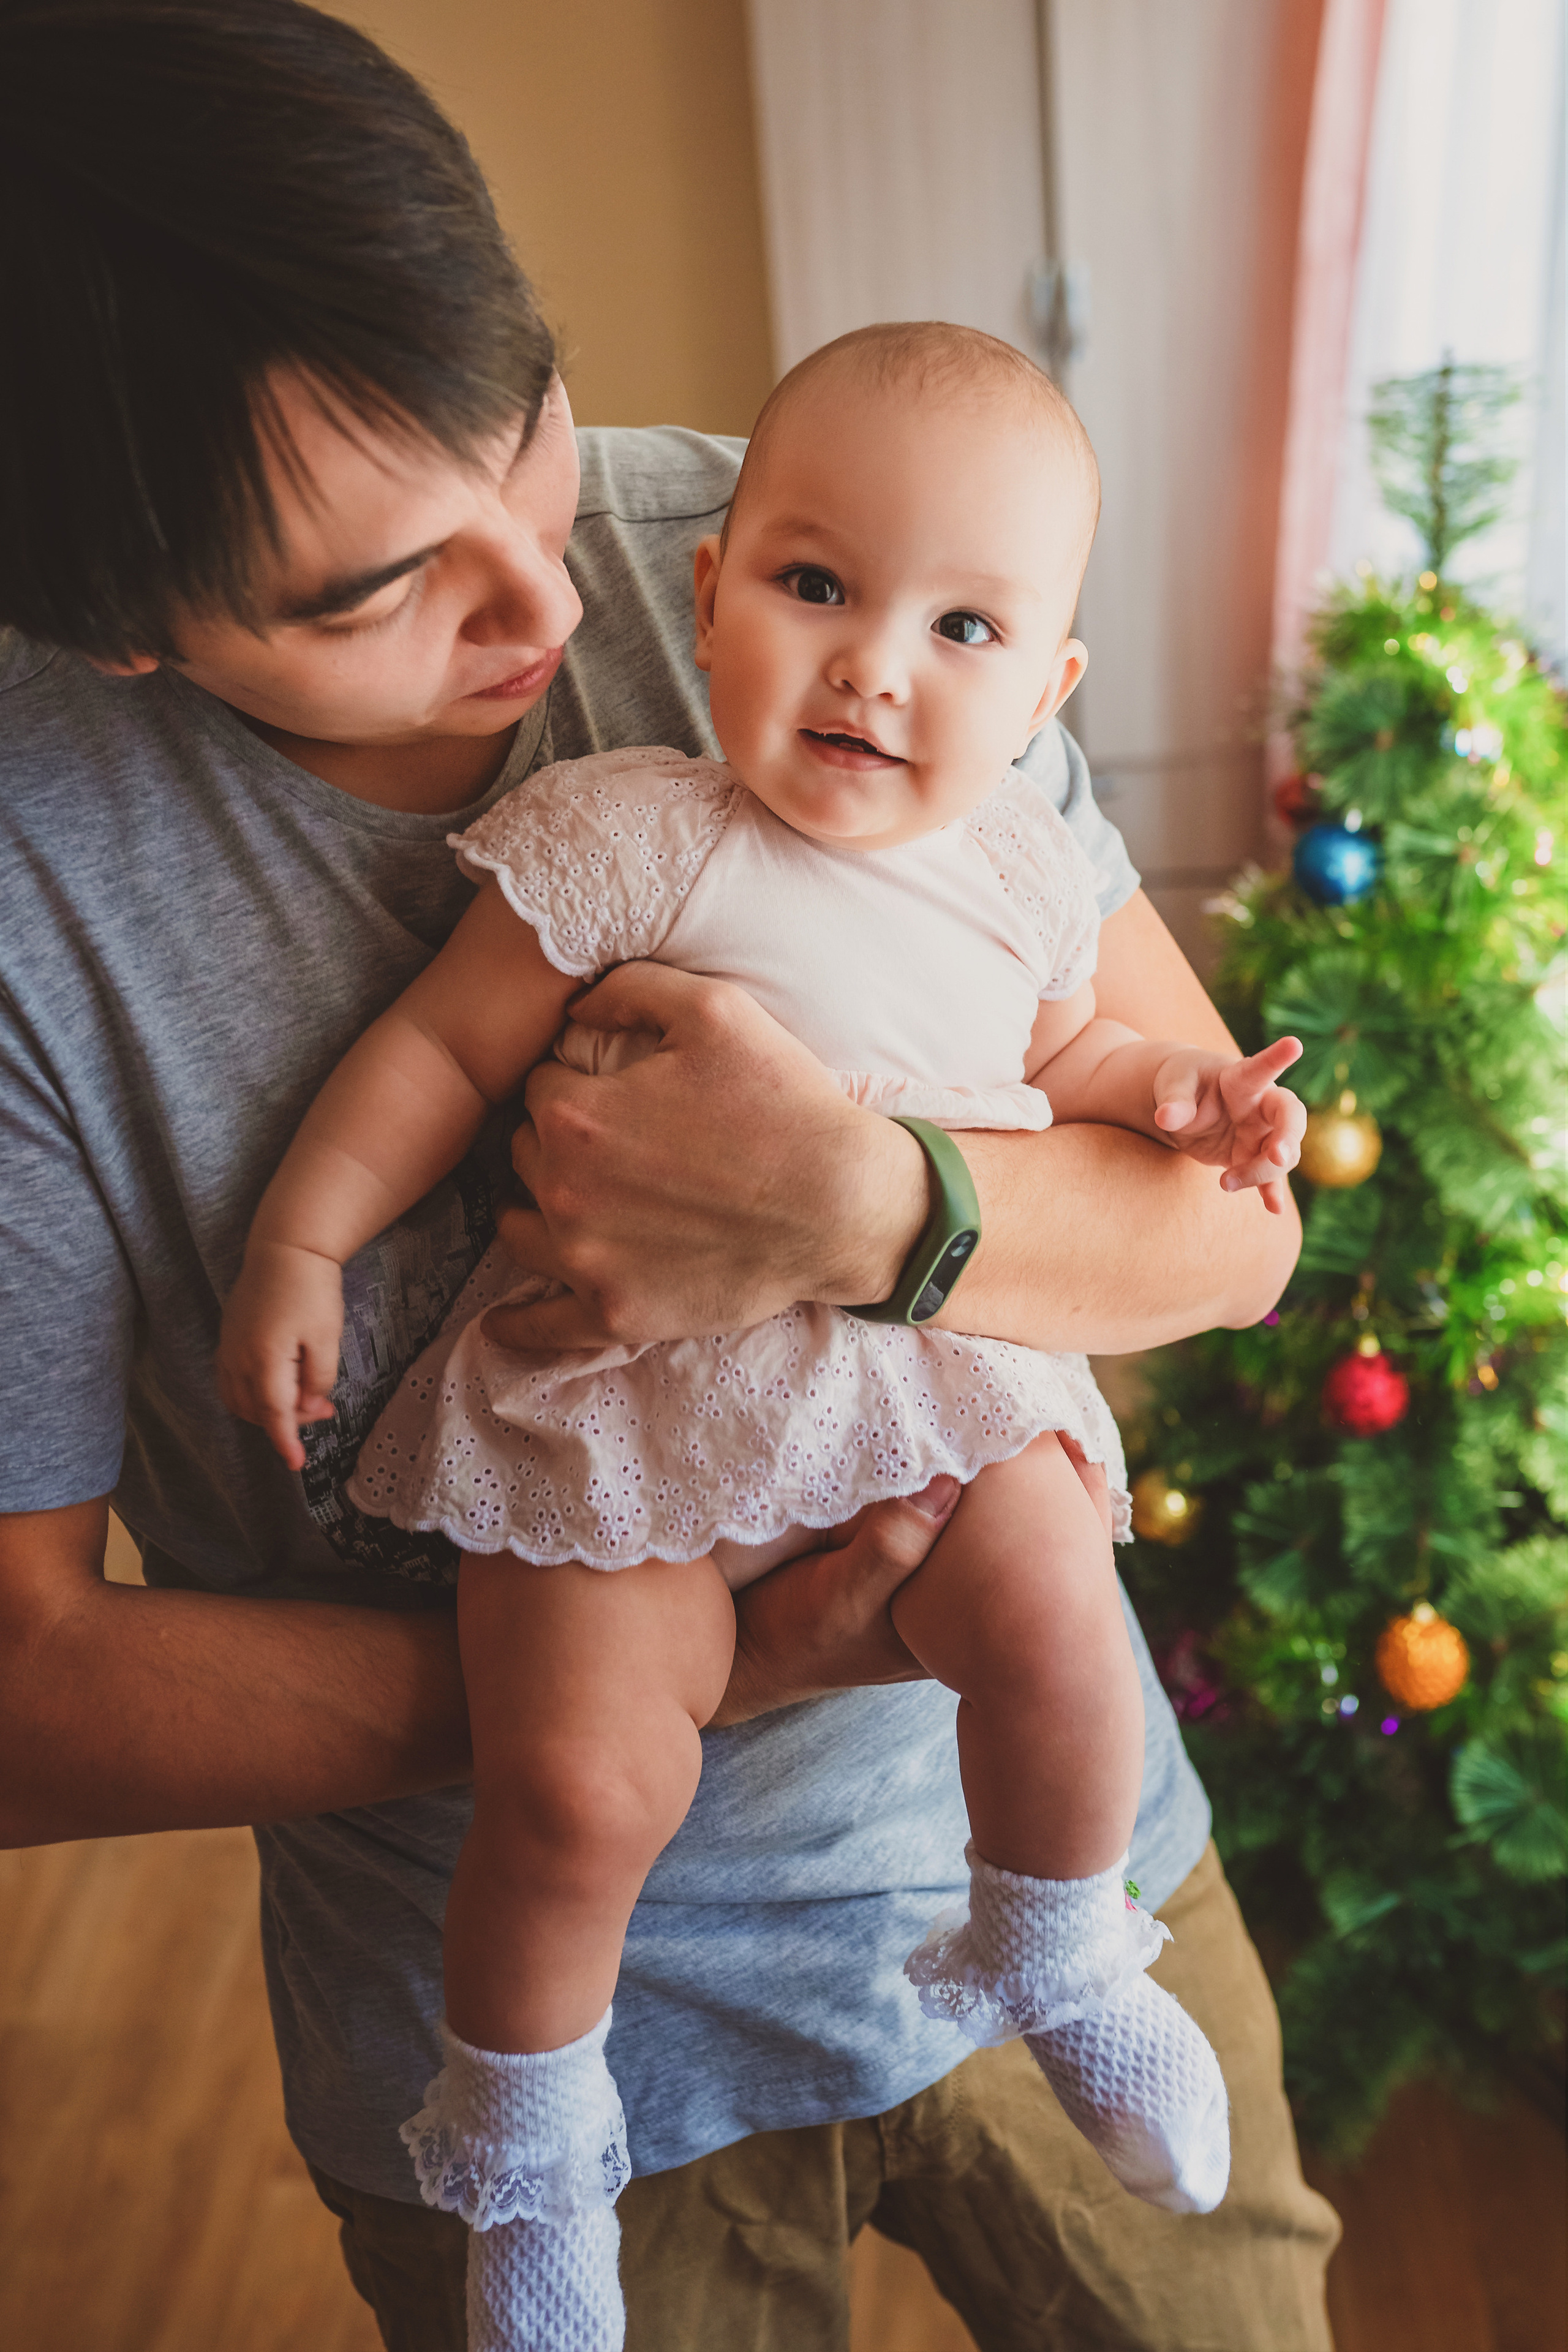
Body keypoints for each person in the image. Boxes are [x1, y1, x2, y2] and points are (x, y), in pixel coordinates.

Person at [0, 5, 1340, 2348]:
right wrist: (668, 1671)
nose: (552, 607)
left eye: (523, 427)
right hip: (540, 1980)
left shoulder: (831, 538)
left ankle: (1048, 1943)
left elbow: (1222, 1225)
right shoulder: (40, 896)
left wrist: (862, 1210)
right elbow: (26, 1685)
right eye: (375, 595)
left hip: (1054, 1850)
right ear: (124, 627)